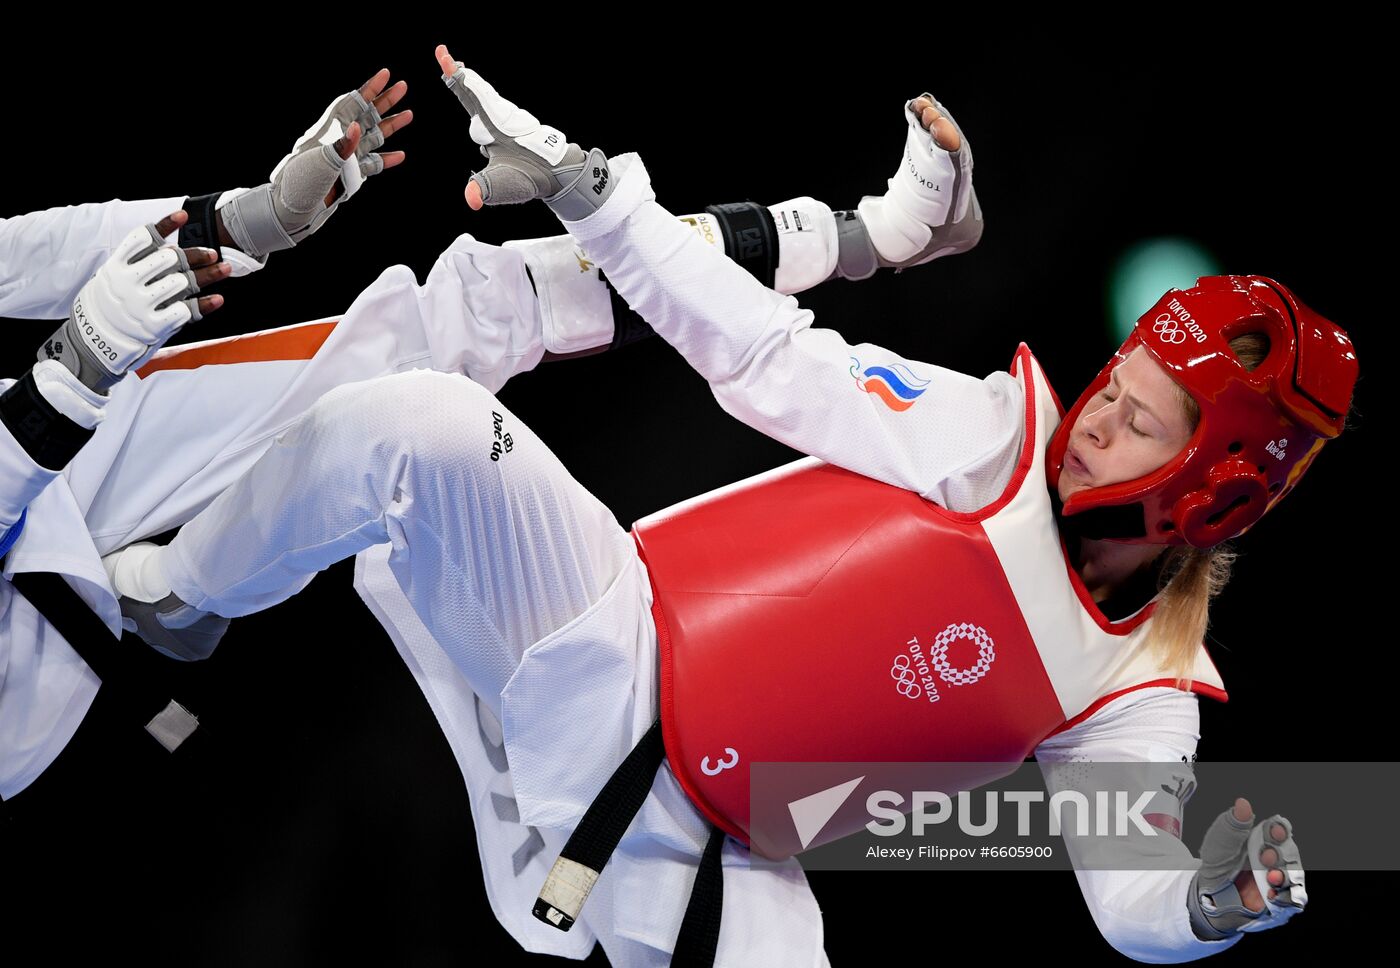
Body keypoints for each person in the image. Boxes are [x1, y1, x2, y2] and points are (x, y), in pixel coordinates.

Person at [72, 49, 1351, 964]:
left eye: (1145, 415)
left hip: (708, 862)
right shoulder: (988, 436)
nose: (1100, 411)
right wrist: (596, 191)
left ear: (1215, 481)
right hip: (592, 630)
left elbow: (1127, 897)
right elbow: (763, 349)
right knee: (416, 419)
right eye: (1119, 375)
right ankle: (187, 597)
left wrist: (1204, 905)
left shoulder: (1139, 688)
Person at [0, 67, 412, 805]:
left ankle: (655, 264)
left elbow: (26, 254)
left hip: (37, 475)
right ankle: (174, 582)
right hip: (14, 674)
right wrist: (70, 374)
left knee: (375, 370)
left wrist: (244, 219)